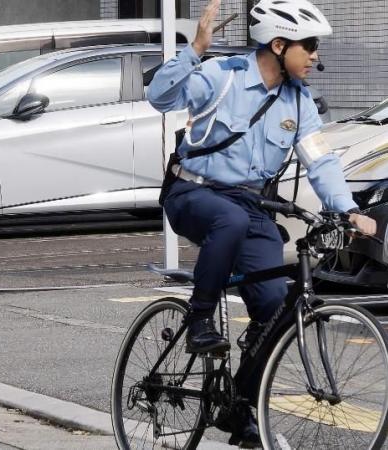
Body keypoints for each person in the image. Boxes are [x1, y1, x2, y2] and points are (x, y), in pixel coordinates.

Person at [148, 0, 377, 447]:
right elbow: (159, 96)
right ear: (278, 44)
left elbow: (319, 159)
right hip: (193, 192)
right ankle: (198, 321)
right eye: (308, 45)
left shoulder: (299, 100)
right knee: (229, 219)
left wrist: (346, 208)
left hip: (250, 206)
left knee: (275, 307)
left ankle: (240, 410)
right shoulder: (224, 76)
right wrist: (194, 50)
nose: (315, 55)